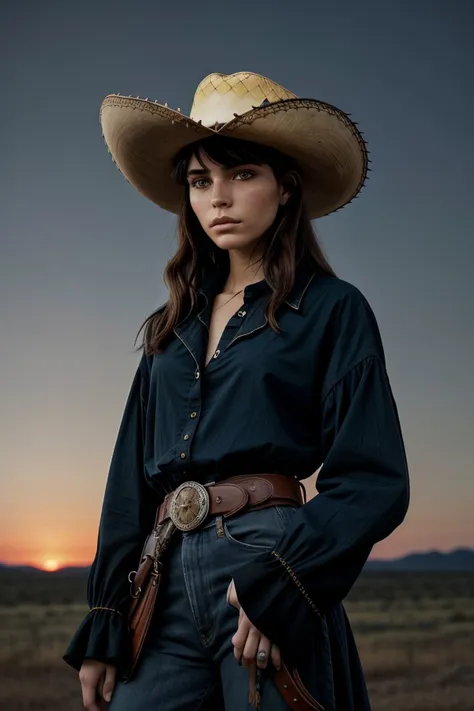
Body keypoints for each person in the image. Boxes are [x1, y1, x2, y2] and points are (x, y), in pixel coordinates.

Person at [63, 71, 410, 711]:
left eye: (242, 175)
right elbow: (126, 489)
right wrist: (108, 613)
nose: (218, 197)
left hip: (267, 561)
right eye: (200, 182)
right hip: (159, 573)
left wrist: (287, 582)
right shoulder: (169, 331)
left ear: (285, 187)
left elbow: (372, 476)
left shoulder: (334, 309)